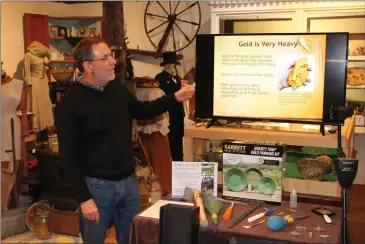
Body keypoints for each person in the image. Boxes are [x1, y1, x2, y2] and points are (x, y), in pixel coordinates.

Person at [55, 37, 195, 244]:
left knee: (131, 239)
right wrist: (84, 199)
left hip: (128, 183)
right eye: (105, 57)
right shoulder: (70, 104)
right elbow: (67, 155)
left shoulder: (116, 88)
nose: (114, 61)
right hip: (97, 188)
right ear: (88, 66)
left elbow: (141, 110)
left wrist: (174, 98)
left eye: (111, 56)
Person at [154, 52, 185, 161]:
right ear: (166, 65)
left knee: (178, 139)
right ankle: (170, 163)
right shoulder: (160, 78)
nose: (173, 66)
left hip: (178, 112)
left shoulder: (177, 78)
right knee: (170, 139)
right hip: (168, 112)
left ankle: (179, 161)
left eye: (174, 64)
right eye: (171, 64)